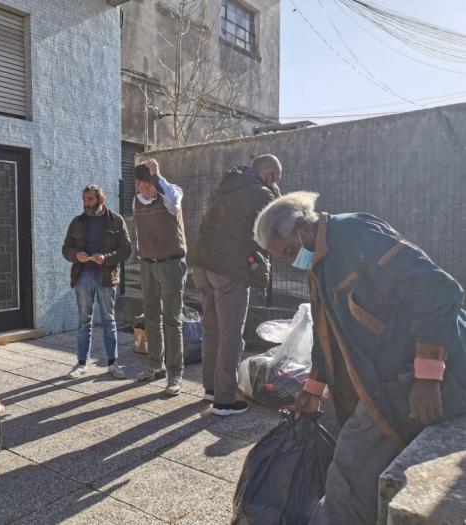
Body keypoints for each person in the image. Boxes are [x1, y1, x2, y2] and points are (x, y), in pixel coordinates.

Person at [253, 191, 466, 525]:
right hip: (378, 379)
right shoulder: (319, 264)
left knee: (349, 471)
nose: (291, 262)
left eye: (290, 251)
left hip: (412, 375)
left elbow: (438, 290)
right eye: (282, 257)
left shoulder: (356, 235)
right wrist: (311, 391)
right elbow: (326, 333)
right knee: (342, 445)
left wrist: (428, 374)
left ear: (302, 226)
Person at [189, 155, 281, 416]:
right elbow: (270, 234)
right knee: (231, 334)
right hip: (229, 269)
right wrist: (277, 197)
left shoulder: (225, 186)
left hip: (201, 264)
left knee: (212, 330)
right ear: (269, 175)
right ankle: (225, 399)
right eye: (275, 179)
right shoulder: (261, 193)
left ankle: (210, 388)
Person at [62, 184, 132, 379]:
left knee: (109, 321)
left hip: (106, 278)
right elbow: (66, 249)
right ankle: (81, 364)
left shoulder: (116, 221)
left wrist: (106, 258)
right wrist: (77, 255)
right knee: (84, 321)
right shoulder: (77, 222)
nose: (86, 204)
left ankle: (113, 364)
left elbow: (126, 250)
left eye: (90, 199)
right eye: (84, 200)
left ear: (102, 199)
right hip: (82, 276)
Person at [132, 159, 187, 396]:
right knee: (151, 317)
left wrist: (157, 175)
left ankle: (175, 373)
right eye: (142, 184)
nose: (146, 188)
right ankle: (156, 366)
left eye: (149, 183)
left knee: (172, 319)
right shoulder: (136, 200)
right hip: (148, 264)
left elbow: (173, 201)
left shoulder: (171, 193)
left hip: (171, 263)